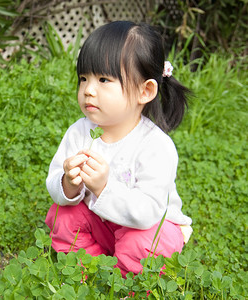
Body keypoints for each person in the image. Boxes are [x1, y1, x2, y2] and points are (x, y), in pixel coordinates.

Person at [45, 21, 193, 277]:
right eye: (84, 79)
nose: (88, 90)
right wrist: (68, 184)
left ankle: (128, 280)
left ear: (145, 91)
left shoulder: (156, 146)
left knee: (144, 241)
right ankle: (92, 268)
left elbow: (147, 213)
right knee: (63, 213)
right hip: (101, 225)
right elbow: (56, 187)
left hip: (147, 228)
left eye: (103, 79)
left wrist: (104, 188)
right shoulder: (79, 132)